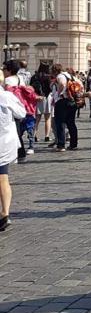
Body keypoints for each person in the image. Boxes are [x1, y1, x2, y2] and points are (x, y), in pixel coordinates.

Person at [0, 85, 26, 231]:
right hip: (4, 143)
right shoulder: (7, 96)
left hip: (3, 142)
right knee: (3, 178)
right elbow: (21, 113)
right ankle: (5, 212)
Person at [50, 63, 79, 151]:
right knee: (71, 123)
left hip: (62, 101)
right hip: (72, 101)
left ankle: (61, 145)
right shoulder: (70, 76)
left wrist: (58, 94)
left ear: (54, 71)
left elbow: (62, 84)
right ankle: (73, 144)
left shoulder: (60, 76)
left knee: (60, 123)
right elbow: (80, 85)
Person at [31, 63, 52, 144]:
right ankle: (47, 136)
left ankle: (34, 135)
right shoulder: (48, 77)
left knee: (37, 119)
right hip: (47, 97)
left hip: (37, 98)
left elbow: (31, 87)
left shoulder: (34, 76)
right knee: (47, 118)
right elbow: (50, 88)